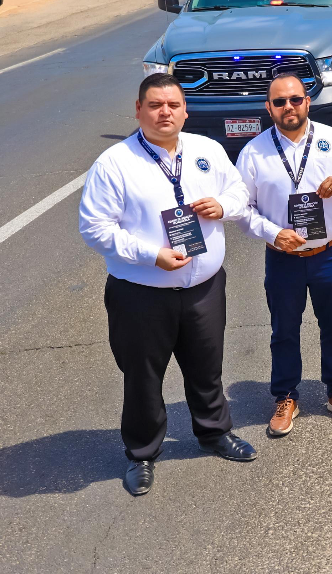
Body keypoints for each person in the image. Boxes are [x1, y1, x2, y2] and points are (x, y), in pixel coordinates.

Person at [79, 73, 257, 497]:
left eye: (172, 105)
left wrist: (224, 205)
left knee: (206, 366)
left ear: (184, 110)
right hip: (142, 295)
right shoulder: (115, 164)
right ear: (138, 110)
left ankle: (214, 433)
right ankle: (141, 453)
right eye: (155, 105)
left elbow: (238, 192)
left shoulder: (206, 150)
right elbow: (93, 228)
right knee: (142, 376)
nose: (164, 113)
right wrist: (151, 255)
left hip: (205, 288)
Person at [235, 73, 332, 437]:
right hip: (283, 258)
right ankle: (285, 396)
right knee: (284, 331)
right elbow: (241, 209)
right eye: (280, 102)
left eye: (295, 99)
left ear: (308, 101)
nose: (289, 107)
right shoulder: (253, 152)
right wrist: (273, 232)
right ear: (269, 108)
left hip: (329, 254)